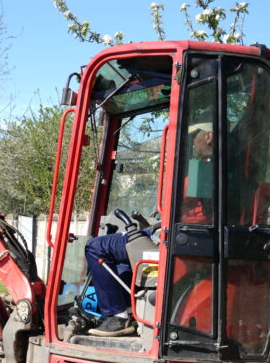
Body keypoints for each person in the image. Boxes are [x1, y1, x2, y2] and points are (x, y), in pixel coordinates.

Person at [83, 122, 213, 337]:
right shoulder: (213, 169)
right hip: (181, 236)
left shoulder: (204, 169)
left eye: (194, 137)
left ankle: (118, 316)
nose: (190, 143)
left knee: (96, 247)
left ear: (208, 136)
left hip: (176, 240)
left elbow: (182, 209)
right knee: (123, 259)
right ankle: (129, 311)